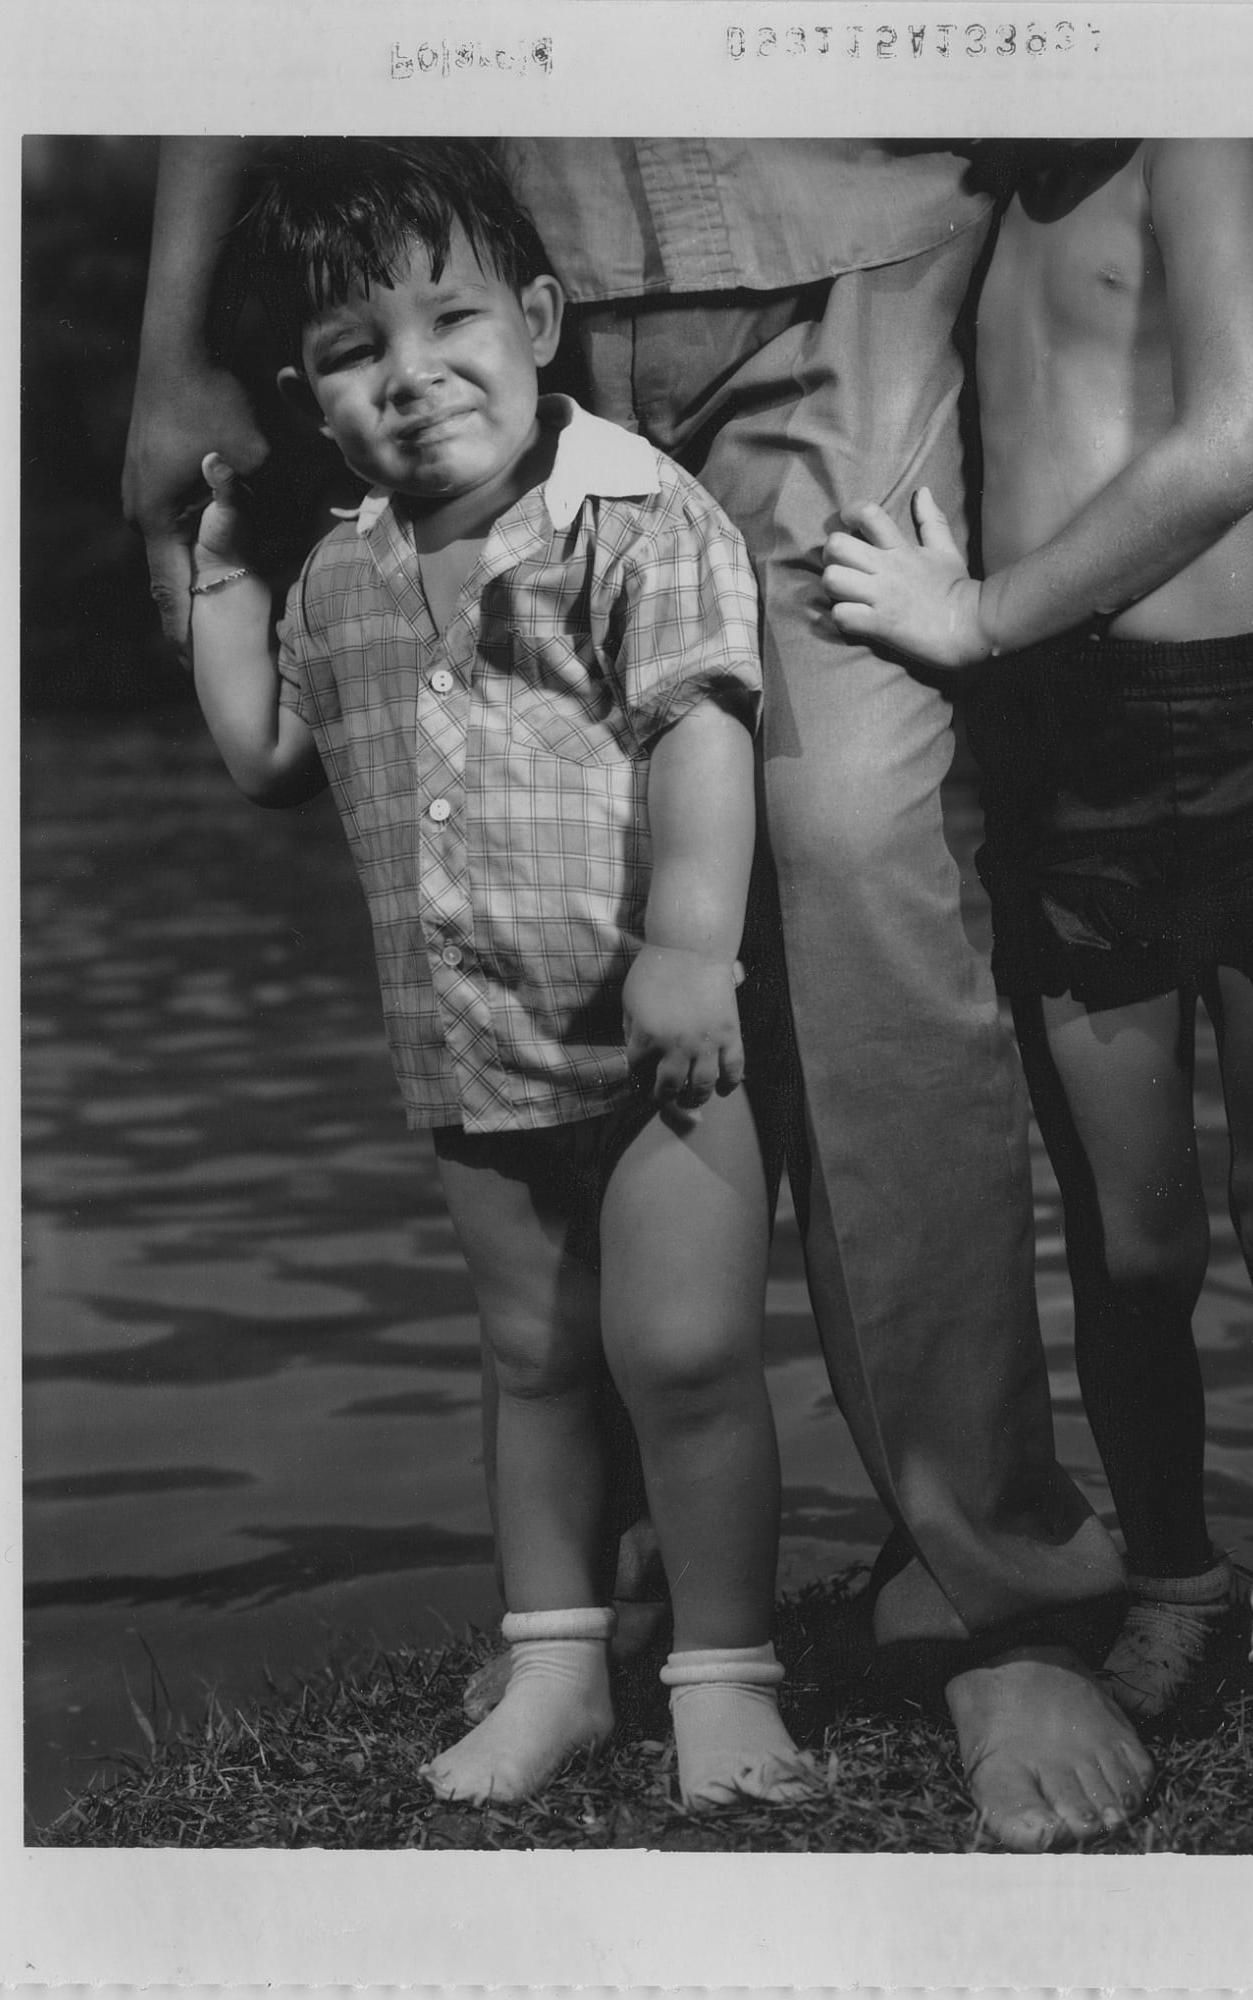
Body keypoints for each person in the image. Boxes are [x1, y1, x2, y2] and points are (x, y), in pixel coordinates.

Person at [124, 134, 1253, 1849]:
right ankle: (600, 1599)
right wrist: (174, 337)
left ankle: (991, 1592)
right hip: (517, 202)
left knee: (847, 837)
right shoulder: (386, 476)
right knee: (555, 889)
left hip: (849, 237)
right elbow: (283, 741)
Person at [186, 138, 818, 1810]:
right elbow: (267, 755)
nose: (410, 376)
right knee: (532, 1362)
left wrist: (692, 947)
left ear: (538, 322)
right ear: (309, 399)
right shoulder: (342, 573)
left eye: (450, 320)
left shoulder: (634, 515)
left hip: (657, 1045)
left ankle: (726, 1679)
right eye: (354, 351)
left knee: (683, 1358)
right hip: (465, 1047)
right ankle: (555, 1671)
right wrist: (219, 575)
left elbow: (699, 725)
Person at [821, 138, 1253, 1770]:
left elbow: (1233, 443)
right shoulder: (966, 183)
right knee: (1132, 1245)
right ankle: (1175, 1577)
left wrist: (981, 615)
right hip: (1070, 752)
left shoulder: (1211, 119)